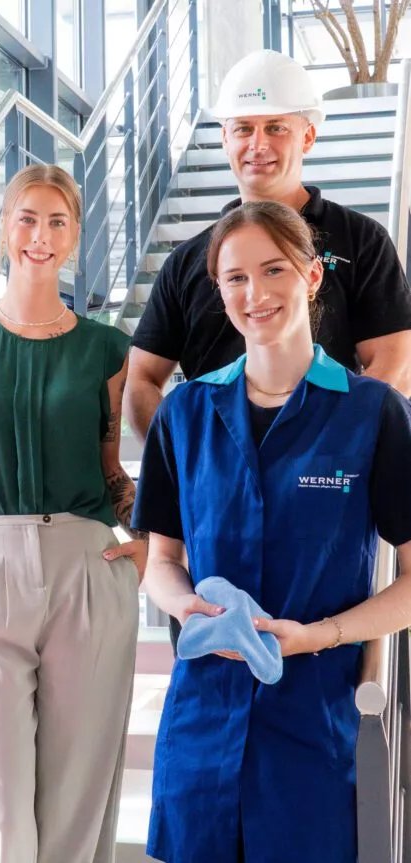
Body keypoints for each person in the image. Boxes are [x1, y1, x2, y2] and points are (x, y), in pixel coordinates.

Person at [133, 200, 411, 863]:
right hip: (201, 717)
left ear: (312, 276)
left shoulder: (373, 413)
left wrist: (319, 635)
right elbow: (159, 560)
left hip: (314, 722)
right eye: (233, 277)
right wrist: (187, 606)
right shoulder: (184, 413)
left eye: (273, 269)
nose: (253, 294)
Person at [0, 164, 146, 863]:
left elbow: (112, 469)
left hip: (85, 566)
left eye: (56, 221)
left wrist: (149, 545)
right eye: (26, 217)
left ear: (74, 235)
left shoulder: (109, 350)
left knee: (75, 806)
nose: (39, 235)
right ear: (3, 226)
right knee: (3, 813)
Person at [125, 49, 411, 445]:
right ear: (225, 138)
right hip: (221, 484)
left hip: (328, 472)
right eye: (243, 128)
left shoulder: (361, 240)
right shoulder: (187, 260)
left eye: (276, 127)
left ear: (307, 136)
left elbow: (396, 360)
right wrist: (184, 459)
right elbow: (141, 378)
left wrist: (336, 445)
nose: (258, 144)